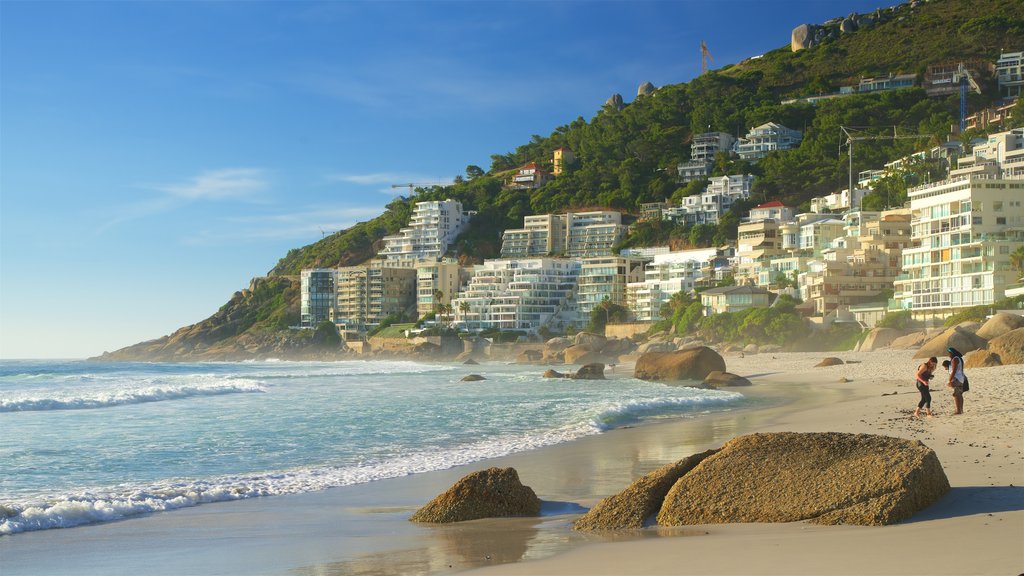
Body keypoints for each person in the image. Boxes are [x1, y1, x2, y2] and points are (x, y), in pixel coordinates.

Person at [946, 347, 966, 415]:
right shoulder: (959, 358)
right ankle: (961, 410)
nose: (948, 355)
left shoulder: (955, 359)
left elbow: (954, 371)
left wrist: (949, 380)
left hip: (957, 378)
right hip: (961, 378)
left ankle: (958, 411)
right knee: (959, 394)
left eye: (949, 353)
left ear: (952, 353)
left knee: (956, 395)